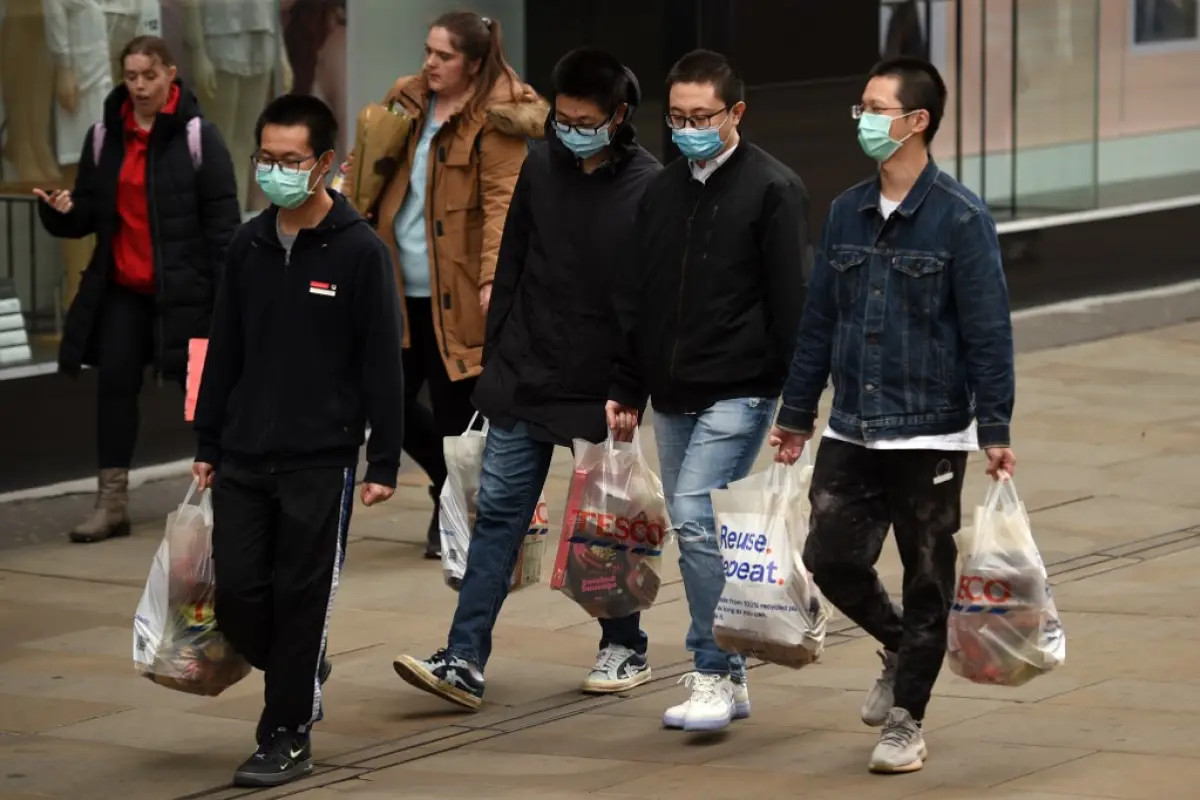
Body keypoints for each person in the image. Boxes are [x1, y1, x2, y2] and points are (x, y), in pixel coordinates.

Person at [392, 47, 662, 710]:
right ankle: (463, 659)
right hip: (526, 371)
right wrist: (498, 358)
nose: (568, 128)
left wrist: (631, 387)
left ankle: (624, 645)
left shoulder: (650, 186)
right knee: (499, 518)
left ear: (618, 115)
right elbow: (511, 259)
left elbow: (649, 300)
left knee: (605, 526)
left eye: (582, 119)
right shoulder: (542, 163)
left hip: (602, 385)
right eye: (561, 117)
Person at [769, 57, 1016, 774]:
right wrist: (794, 414)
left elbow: (988, 331)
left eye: (878, 108)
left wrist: (994, 428)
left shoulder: (960, 218)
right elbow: (818, 321)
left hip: (932, 427)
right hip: (852, 425)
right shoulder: (846, 210)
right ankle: (902, 644)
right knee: (829, 558)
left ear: (918, 122)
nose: (864, 120)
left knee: (928, 576)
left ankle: (908, 719)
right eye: (861, 107)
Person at [191, 94, 405, 788]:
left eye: (291, 161)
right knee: (239, 597)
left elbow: (382, 362)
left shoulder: (359, 251)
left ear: (326, 164)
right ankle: (300, 663)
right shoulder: (248, 246)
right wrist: (207, 442)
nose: (276, 172)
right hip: (246, 454)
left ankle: (285, 733)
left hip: (322, 456)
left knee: (302, 597)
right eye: (267, 159)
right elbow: (224, 348)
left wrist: (383, 458)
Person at [607, 49, 810, 732]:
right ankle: (734, 667)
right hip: (672, 390)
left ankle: (714, 672)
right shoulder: (662, 192)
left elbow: (792, 304)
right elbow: (637, 297)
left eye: (703, 116)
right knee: (700, 527)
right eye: (678, 117)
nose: (689, 128)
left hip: (742, 388)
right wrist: (627, 387)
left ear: (737, 113)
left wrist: (799, 407)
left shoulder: (773, 189)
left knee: (692, 516)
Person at [343, 10, 548, 559]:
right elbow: (367, 167)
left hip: (453, 291)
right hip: (391, 282)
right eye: (428, 51)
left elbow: (504, 205)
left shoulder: (500, 117)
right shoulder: (406, 98)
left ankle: (453, 511)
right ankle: (445, 483)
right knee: (379, 396)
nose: (430, 63)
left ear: (475, 63)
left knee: (458, 413)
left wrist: (492, 280)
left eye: (444, 56)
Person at [34, 35, 239, 543]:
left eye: (150, 75)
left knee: (204, 398)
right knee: (115, 389)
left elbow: (223, 228)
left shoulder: (197, 137)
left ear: (171, 73)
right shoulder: (106, 134)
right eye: (131, 77)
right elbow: (87, 214)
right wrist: (59, 210)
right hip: (124, 288)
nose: (141, 86)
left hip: (188, 291)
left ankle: (226, 497)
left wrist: (230, 299)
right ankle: (112, 503)